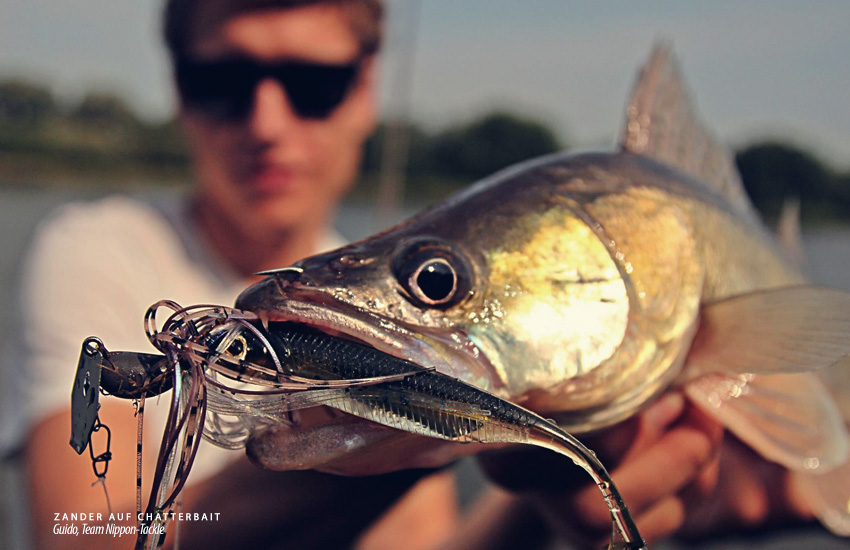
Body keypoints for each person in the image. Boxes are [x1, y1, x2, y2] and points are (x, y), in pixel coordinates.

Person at [0, 0, 814, 548]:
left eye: (314, 85)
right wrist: (440, 424)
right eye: (224, 82)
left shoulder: (367, 270)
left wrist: (546, 498)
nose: (267, 123)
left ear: (366, 90)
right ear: (177, 89)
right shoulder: (97, 249)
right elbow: (90, 536)